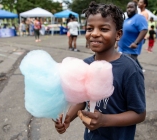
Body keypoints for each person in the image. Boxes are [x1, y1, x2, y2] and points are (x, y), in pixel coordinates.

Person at [54, 2, 146, 140]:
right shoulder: (85, 65)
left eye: (103, 29)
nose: (95, 34)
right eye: (90, 28)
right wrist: (68, 118)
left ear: (118, 34)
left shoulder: (129, 69)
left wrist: (104, 120)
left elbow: (139, 114)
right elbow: (82, 100)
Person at [118, 1, 148, 70]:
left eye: (131, 7)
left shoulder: (139, 17)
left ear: (136, 8)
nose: (128, 9)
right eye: (127, 7)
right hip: (121, 49)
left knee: (125, 70)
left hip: (130, 51)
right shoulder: (126, 20)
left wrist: (136, 43)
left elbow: (144, 30)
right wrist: (117, 43)